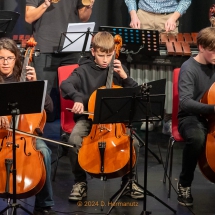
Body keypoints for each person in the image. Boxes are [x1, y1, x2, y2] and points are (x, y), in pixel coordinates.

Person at [60, 31, 143, 201]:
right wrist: (77, 98)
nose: (106, 60)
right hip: (89, 119)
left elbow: (137, 93)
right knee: (74, 140)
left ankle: (129, 181)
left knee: (134, 143)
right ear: (93, 52)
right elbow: (65, 84)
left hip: (116, 120)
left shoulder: (119, 68)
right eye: (101, 55)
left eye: (109, 55)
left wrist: (125, 77)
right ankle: (80, 182)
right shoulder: (83, 70)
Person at [0, 37, 56, 215]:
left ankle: (44, 204)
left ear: (16, 59)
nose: (5, 62)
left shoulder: (22, 78)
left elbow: (50, 109)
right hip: (2, 135)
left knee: (44, 152)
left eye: (9, 58)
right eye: (1, 58)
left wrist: (36, 85)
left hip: (25, 136)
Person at [124, 0, 192, 135]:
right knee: (144, 68)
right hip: (143, 16)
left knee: (168, 69)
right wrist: (133, 15)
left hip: (168, 17)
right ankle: (150, 114)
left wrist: (174, 17)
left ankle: (167, 116)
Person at [177, 27, 215, 206]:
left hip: (212, 113)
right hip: (190, 116)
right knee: (197, 137)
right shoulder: (189, 68)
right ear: (201, 47)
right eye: (212, 51)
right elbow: (185, 102)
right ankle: (184, 183)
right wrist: (212, 108)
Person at [25, 0, 95, 95]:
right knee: (42, 92)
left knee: (71, 92)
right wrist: (45, 4)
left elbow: (83, 18)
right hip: (45, 48)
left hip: (71, 48)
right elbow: (29, 18)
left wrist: (88, 6)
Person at [124, 0, 191, 32]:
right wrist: (133, 17)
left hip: (168, 18)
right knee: (139, 53)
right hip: (143, 17)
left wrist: (173, 18)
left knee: (169, 54)